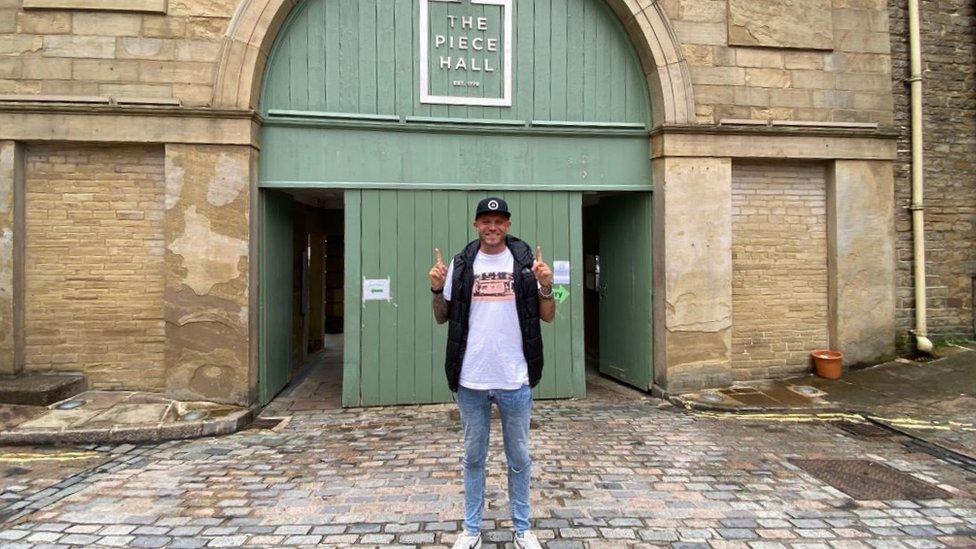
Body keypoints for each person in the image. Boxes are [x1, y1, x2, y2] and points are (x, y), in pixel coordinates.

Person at [429, 197, 555, 549]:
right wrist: (437, 288)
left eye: (499, 221)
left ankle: (522, 529)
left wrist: (546, 284)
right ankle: (471, 531)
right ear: (476, 226)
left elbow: (548, 315)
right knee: (473, 458)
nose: (492, 227)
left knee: (519, 458)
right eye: (486, 221)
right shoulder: (462, 263)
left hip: (515, 378)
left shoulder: (527, 264)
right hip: (472, 379)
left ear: (508, 225)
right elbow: (442, 317)